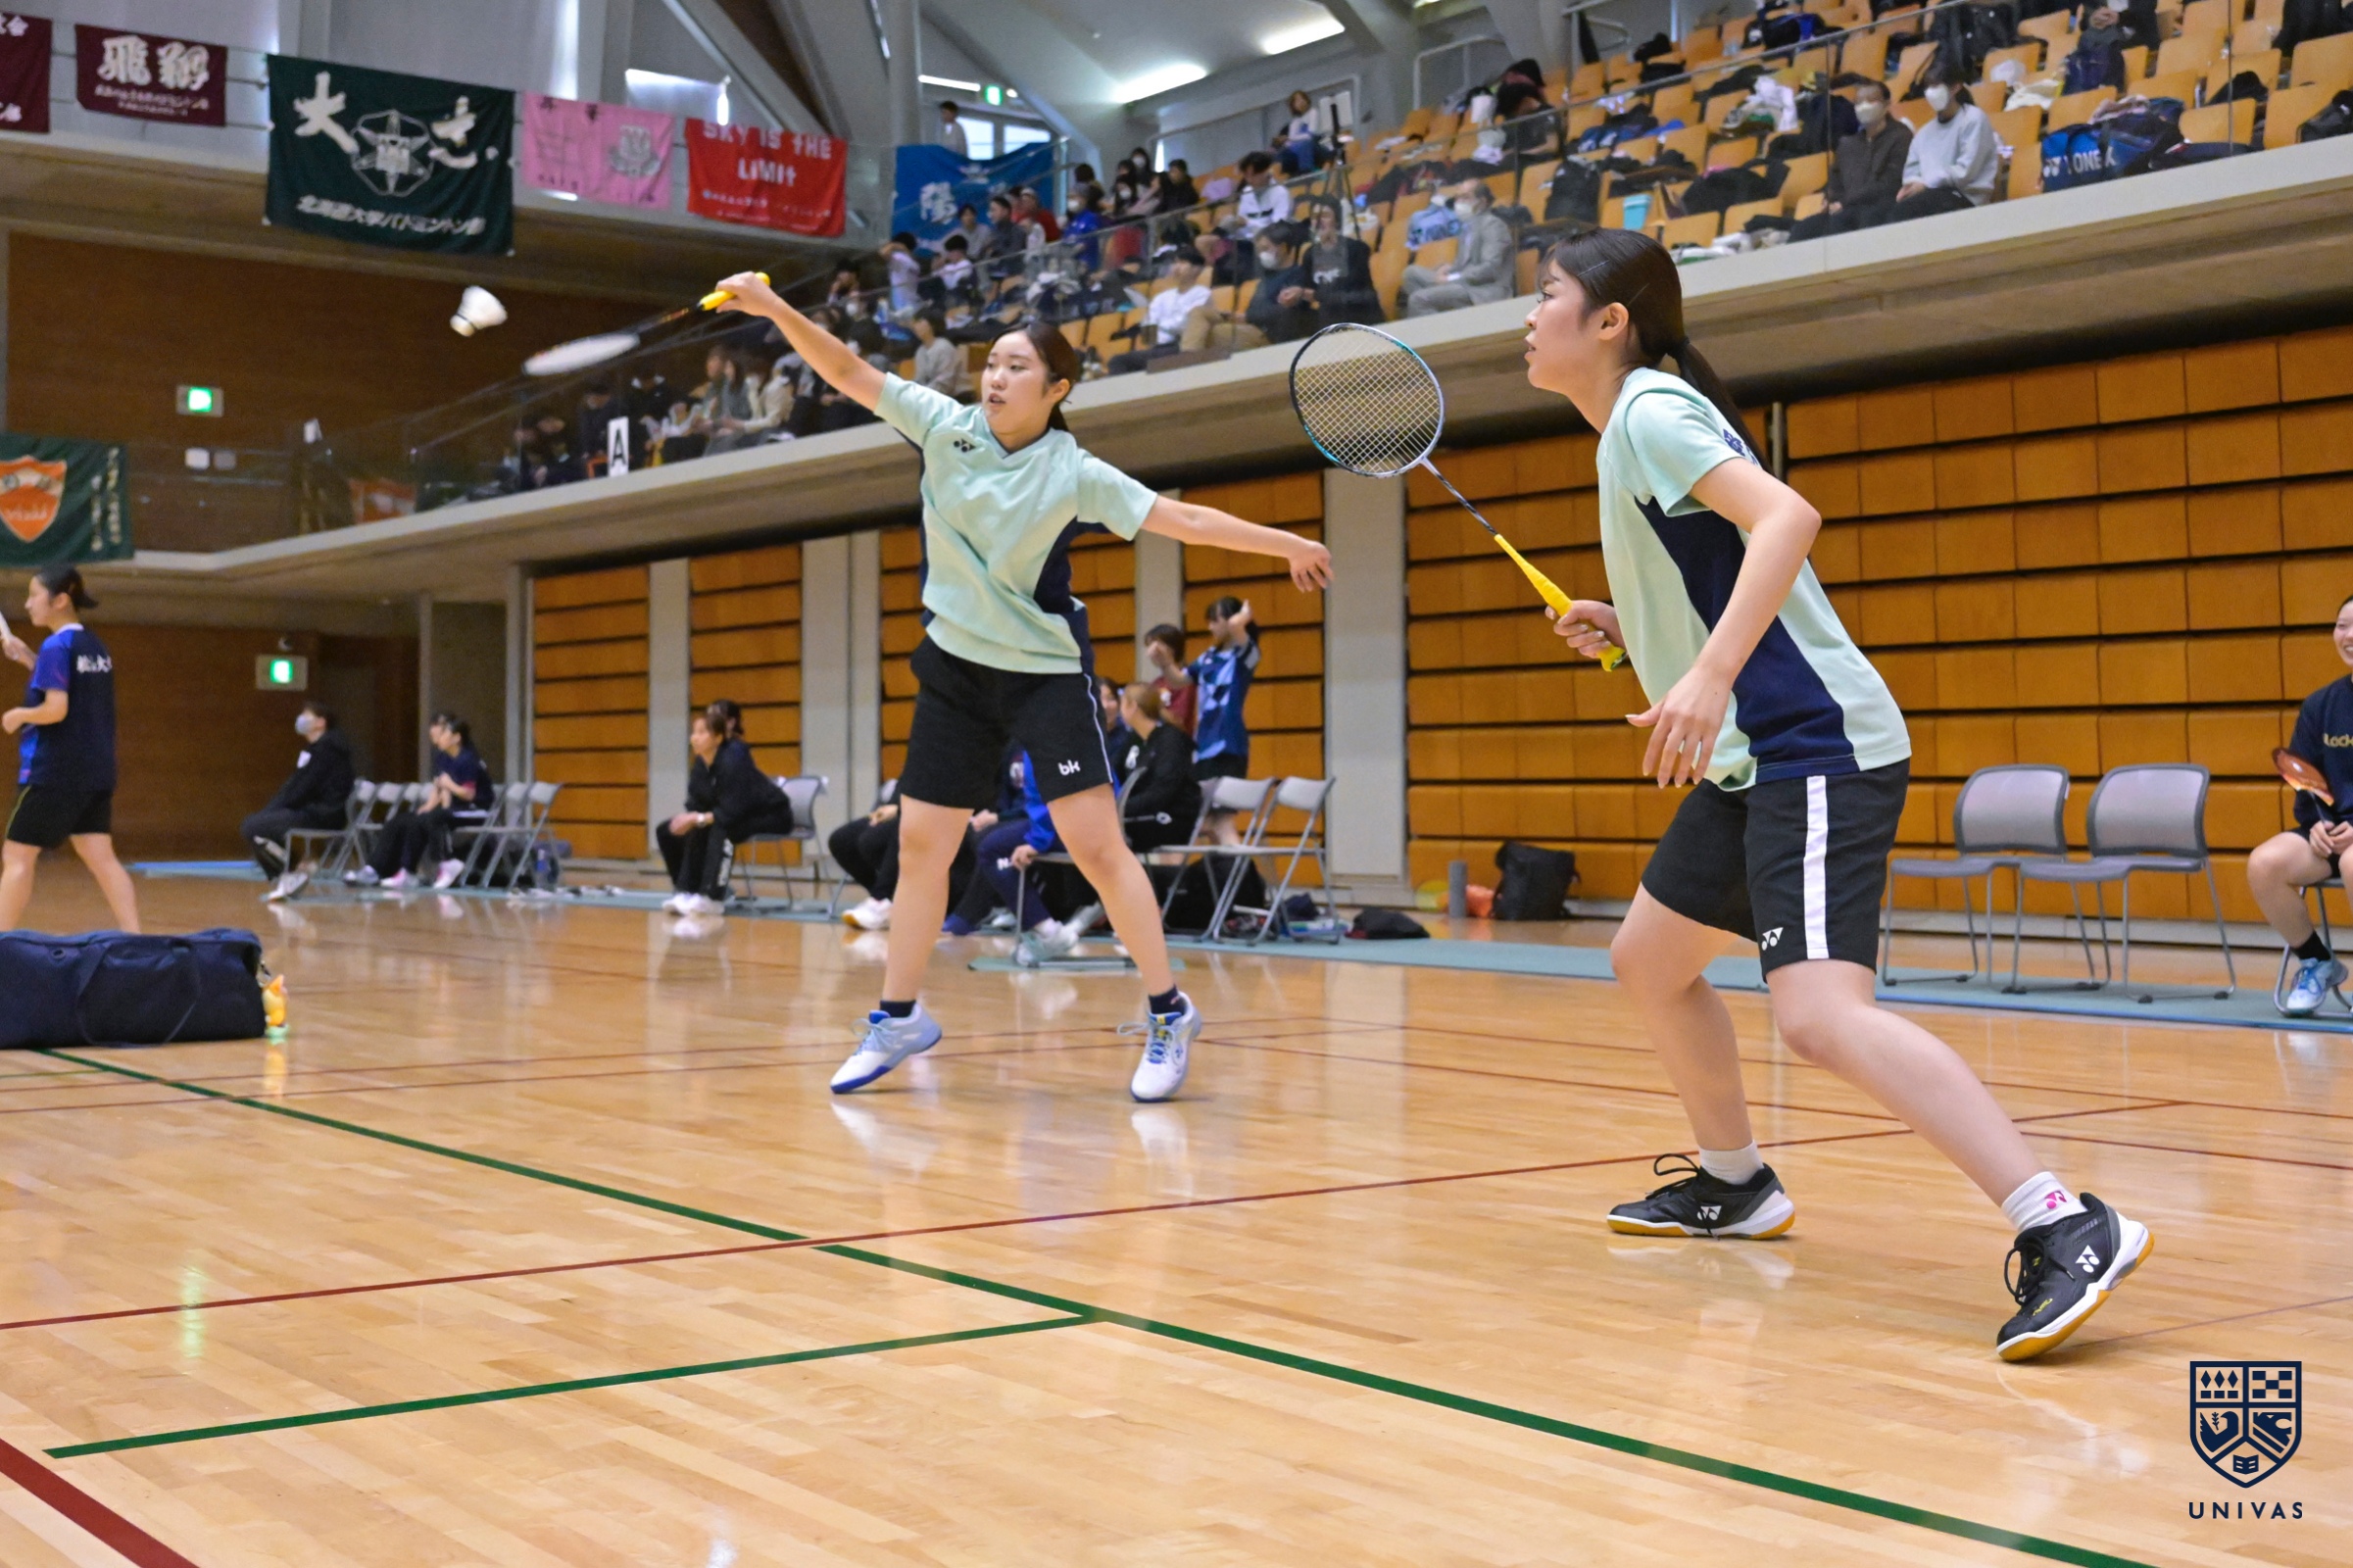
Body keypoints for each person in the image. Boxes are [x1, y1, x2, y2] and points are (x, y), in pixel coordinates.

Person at [1525, 227, 2149, 1361]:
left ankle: (2063, 1220)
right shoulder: (1633, 426)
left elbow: (1787, 518)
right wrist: (1635, 632)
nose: (1528, 317)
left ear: (1609, 321)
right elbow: (1720, 573)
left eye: (1546, 295)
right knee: (1649, 959)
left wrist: (1707, 676)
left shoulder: (1649, 412)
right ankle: (1735, 1183)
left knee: (1818, 1014)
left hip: (1810, 746)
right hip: (1751, 761)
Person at [710, 269, 1330, 1102]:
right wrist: (774, 307)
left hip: (1042, 675)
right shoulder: (941, 425)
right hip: (954, 668)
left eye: (1016, 367)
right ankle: (898, 1017)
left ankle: (1169, 1011)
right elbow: (848, 372)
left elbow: (1183, 519)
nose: (995, 378)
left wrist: (1287, 543)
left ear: (1056, 388)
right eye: (992, 364)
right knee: (922, 847)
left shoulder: (1073, 471)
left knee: (1097, 848)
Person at [0, 565, 138, 934]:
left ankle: (2, 940)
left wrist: (18, 715)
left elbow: (56, 709)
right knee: (101, 857)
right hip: (96, 773)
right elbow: (74, 690)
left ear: (60, 600)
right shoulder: (94, 646)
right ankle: (135, 936)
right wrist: (29, 659)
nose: (27, 604)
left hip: (53, 773)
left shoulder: (56, 646)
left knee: (17, 856)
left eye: (34, 595)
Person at [2247, 600, 2353, 1013]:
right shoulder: (2320, 705)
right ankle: (2317, 963)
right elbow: (2305, 783)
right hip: (2330, 834)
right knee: (2264, 864)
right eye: (2342, 625)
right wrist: (2316, 826)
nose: (2348, 635)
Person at [656, 700, 800, 917]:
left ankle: (712, 897)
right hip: (736, 813)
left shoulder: (734, 759)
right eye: (694, 732)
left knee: (722, 828)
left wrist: (700, 818)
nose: (694, 738)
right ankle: (686, 891)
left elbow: (733, 811)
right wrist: (692, 816)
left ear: (718, 737)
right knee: (687, 827)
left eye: (702, 732)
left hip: (770, 814)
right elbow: (696, 802)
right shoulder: (701, 763)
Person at [349, 712, 494, 891]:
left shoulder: (468, 759)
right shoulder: (442, 757)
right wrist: (427, 806)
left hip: (474, 809)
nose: (438, 737)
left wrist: (450, 786)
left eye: (444, 733)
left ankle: (445, 862)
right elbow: (438, 788)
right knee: (401, 821)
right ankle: (378, 869)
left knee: (432, 818)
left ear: (456, 738)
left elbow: (469, 794)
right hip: (453, 809)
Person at [245, 700, 355, 902]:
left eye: (306, 716)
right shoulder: (314, 750)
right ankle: (293, 871)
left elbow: (303, 789)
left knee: (254, 827)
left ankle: (294, 870)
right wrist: (272, 809)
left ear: (320, 722)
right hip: (312, 810)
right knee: (254, 825)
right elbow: (294, 787)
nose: (301, 719)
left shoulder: (327, 751)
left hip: (324, 814)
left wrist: (273, 810)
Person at [1789, 80, 1911, 240]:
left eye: (1871, 101)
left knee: (1843, 223)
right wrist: (1830, 199)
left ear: (1887, 104)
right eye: (1859, 103)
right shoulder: (1848, 144)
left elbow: (1890, 182)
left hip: (1880, 207)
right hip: (1846, 210)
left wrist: (1845, 203)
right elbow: (1835, 181)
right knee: (1803, 229)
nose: (1864, 107)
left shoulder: (1901, 136)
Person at [1181, 221, 1318, 353]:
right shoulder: (1266, 275)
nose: (1261, 254)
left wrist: (1247, 317)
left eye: (1265, 248)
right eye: (1259, 250)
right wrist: (1239, 317)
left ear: (1282, 247)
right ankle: (1187, 358)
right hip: (1246, 324)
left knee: (1211, 332)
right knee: (1199, 312)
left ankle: (1188, 363)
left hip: (1266, 333)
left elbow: (1288, 312)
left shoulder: (1297, 274)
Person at [1890, 63, 1997, 222]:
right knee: (1888, 213)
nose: (1930, 92)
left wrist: (1926, 184)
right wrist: (1912, 186)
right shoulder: (1924, 132)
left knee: (1906, 212)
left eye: (1936, 86)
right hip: (1929, 195)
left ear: (1955, 87)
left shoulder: (1973, 119)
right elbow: (1912, 172)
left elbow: (1966, 171)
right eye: (1928, 87)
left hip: (1965, 197)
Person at [1401, 181, 1515, 318]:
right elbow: (1464, 265)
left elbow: (1490, 269)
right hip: (1463, 284)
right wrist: (1448, 269)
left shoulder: (1493, 225)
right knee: (1411, 273)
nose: (1459, 202)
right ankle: (1443, 319)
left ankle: (1441, 328)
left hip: (1483, 291)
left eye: (1465, 197)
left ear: (1482, 202)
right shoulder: (1467, 228)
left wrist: (1450, 278)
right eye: (1457, 198)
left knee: (1418, 299)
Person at [1115, 683, 1199, 850]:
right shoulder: (1134, 740)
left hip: (1170, 817)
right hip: (1140, 814)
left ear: (1133, 706)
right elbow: (1115, 775)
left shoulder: (1171, 739)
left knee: (1100, 832)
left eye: (1122, 703)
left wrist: (1120, 809)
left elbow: (1162, 790)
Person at [1106, 247, 1211, 374]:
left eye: (1183, 263)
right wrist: (1164, 328)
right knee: (1117, 361)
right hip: (1157, 348)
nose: (1177, 267)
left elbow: (1187, 324)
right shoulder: (1161, 297)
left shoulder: (1202, 293)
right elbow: (1148, 331)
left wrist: (1161, 326)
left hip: (1182, 345)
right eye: (1175, 263)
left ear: (1197, 269)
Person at [1300, 199, 1384, 325]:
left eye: (1325, 216)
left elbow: (1361, 296)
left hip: (1359, 316)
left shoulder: (1356, 249)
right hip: (1330, 318)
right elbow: (1308, 291)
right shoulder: (1310, 255)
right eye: (1314, 217)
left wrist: (1318, 295)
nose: (1318, 222)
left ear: (1337, 221)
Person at [1143, 622, 1199, 734]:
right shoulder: (1156, 683)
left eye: (1157, 646)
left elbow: (1179, 721)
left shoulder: (1185, 681)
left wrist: (1156, 706)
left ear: (1171, 649)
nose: (1152, 652)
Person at [1234, 152, 1292, 240]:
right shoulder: (1247, 191)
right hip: (1248, 238)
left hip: (1270, 239)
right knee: (1227, 222)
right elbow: (1242, 219)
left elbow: (1278, 226)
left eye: (1253, 175)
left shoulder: (1280, 192)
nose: (1249, 180)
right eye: (1246, 176)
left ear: (1265, 172)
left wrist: (1250, 224)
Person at [911, 309, 967, 398]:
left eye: (919, 321)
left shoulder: (944, 347)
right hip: (935, 396)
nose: (915, 326)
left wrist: (922, 394)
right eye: (914, 323)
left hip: (959, 396)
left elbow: (945, 382)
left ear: (932, 324)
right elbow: (920, 380)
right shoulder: (920, 351)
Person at [1276, 89, 1323, 174]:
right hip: (1298, 144)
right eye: (1297, 100)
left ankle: (1306, 170)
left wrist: (1291, 138)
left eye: (1302, 99)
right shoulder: (1295, 121)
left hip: (1314, 141)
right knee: (1282, 153)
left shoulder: (1313, 112)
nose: (1301, 102)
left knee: (1304, 145)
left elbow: (1311, 134)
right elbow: (1291, 138)